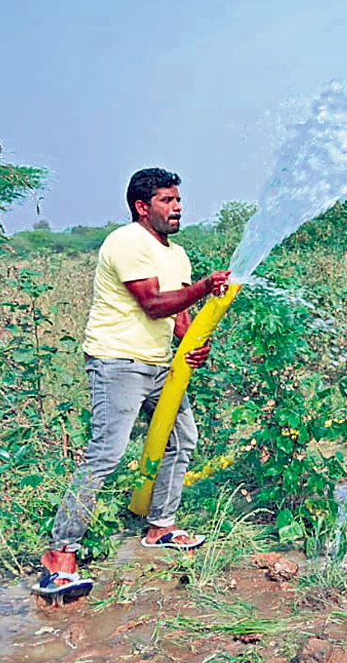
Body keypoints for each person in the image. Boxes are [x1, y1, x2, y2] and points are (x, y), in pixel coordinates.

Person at [34, 167, 231, 597]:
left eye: (178, 199)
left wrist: (194, 345)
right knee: (107, 452)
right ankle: (60, 551)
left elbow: (178, 317)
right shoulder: (125, 242)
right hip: (118, 362)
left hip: (160, 365)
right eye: (167, 200)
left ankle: (161, 527)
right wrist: (204, 287)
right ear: (142, 207)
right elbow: (154, 304)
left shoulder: (177, 255)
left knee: (183, 440)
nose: (177, 207)